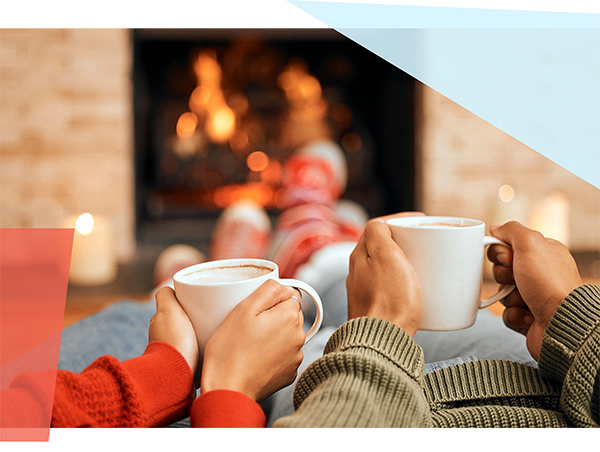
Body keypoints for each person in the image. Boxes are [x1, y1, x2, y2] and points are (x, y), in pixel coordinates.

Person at [269, 219, 600, 431]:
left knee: (308, 341)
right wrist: (572, 322)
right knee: (358, 293)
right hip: (558, 388)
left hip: (368, 405)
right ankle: (321, 245)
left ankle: (311, 249)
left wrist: (381, 326)